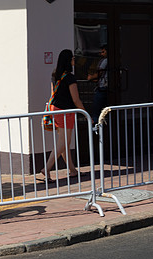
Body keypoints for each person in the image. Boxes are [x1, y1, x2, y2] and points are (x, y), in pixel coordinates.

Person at [40, 49, 86, 183]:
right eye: (72, 58)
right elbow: (76, 99)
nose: (74, 61)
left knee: (64, 140)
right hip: (66, 111)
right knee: (63, 142)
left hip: (55, 109)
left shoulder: (55, 74)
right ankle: (47, 168)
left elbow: (52, 94)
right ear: (68, 61)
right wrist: (85, 112)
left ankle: (72, 170)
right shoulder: (70, 77)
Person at [88, 45, 108, 124]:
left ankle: (96, 124)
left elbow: (100, 73)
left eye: (103, 52)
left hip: (103, 88)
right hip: (104, 87)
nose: (101, 54)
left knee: (97, 109)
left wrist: (91, 77)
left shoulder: (105, 61)